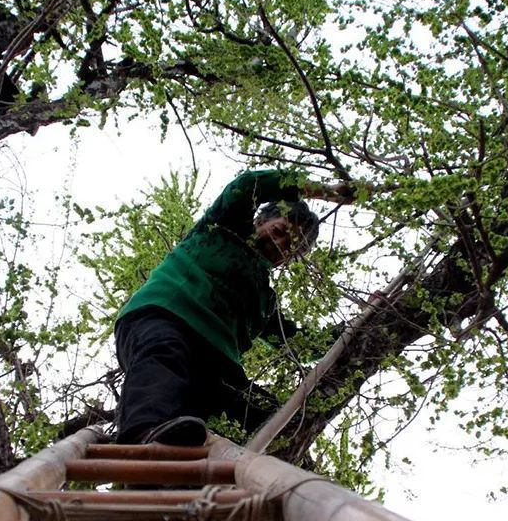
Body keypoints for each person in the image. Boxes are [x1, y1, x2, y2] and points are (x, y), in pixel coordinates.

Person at [114, 169, 349, 446]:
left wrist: (351, 329)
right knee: (165, 355)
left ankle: (268, 477)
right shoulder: (222, 228)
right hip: (164, 316)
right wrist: (325, 191)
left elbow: (296, 343)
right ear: (261, 220)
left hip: (216, 364)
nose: (280, 243)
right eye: (280, 230)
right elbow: (248, 185)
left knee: (264, 414)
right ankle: (142, 434)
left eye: (292, 247)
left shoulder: (263, 301)